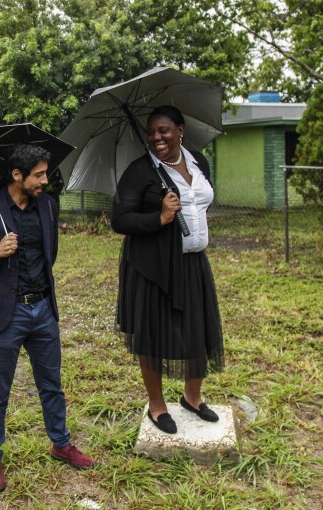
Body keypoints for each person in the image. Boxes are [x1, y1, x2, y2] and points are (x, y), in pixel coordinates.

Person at [0, 143, 94, 493]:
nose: (45, 180)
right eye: (39, 175)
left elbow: (50, 253)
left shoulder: (48, 205)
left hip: (43, 309)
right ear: (18, 175)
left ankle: (61, 443)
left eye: (46, 173)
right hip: (4, 314)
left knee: (52, 385)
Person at [111, 105, 225, 435]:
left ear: (180, 130)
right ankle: (157, 406)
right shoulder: (139, 171)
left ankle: (192, 397)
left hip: (192, 261)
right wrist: (158, 218)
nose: (156, 137)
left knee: (198, 327)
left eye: (164, 130)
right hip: (152, 266)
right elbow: (119, 220)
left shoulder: (198, 162)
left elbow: (199, 201)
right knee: (153, 333)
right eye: (151, 132)